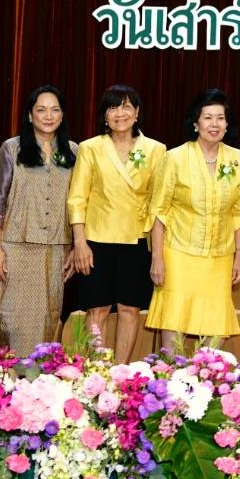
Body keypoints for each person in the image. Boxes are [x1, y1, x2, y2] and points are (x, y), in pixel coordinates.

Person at [145, 90, 240, 353]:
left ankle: (204, 373)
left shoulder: (238, 159)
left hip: (220, 256)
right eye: (208, 117)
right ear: (196, 123)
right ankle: (171, 373)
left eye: (220, 118)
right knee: (174, 318)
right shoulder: (175, 157)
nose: (214, 124)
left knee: (216, 325)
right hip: (179, 252)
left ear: (227, 124)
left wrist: (239, 256)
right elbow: (159, 210)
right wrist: (157, 258)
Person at [67, 85, 166, 361]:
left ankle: (121, 371)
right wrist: (79, 243)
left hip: (136, 240)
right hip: (96, 240)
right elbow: (77, 198)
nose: (119, 113)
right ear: (104, 115)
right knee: (97, 309)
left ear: (137, 113)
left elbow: (159, 203)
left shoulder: (156, 150)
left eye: (126, 107)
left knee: (129, 309)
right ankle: (97, 370)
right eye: (113, 107)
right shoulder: (90, 148)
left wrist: (157, 253)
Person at [0, 85, 78, 355]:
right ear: (29, 115)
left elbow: (79, 202)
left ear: (62, 115)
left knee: (48, 316)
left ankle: (39, 375)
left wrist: (75, 246)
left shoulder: (73, 152)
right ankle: (14, 374)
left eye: (55, 110)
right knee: (12, 317)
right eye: (41, 110)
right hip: (15, 246)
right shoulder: (11, 149)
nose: (48, 116)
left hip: (56, 249)